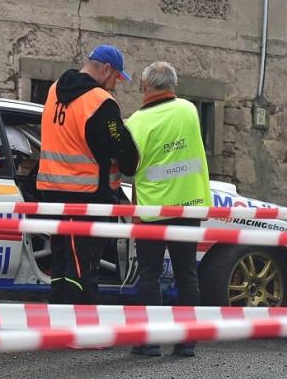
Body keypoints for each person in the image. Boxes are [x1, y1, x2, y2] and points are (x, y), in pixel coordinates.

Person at [37, 45, 138, 304]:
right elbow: (120, 148)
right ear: (106, 69)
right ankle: (83, 325)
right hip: (86, 195)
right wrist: (130, 160)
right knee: (84, 264)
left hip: (51, 190)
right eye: (117, 76)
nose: (117, 83)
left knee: (60, 260)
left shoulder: (54, 89)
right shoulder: (99, 101)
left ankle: (58, 318)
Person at [125, 61, 212, 357]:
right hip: (188, 206)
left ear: (145, 87)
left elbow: (129, 166)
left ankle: (149, 341)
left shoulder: (135, 122)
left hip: (152, 210)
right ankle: (186, 341)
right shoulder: (189, 110)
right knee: (187, 273)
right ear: (172, 85)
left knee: (149, 274)